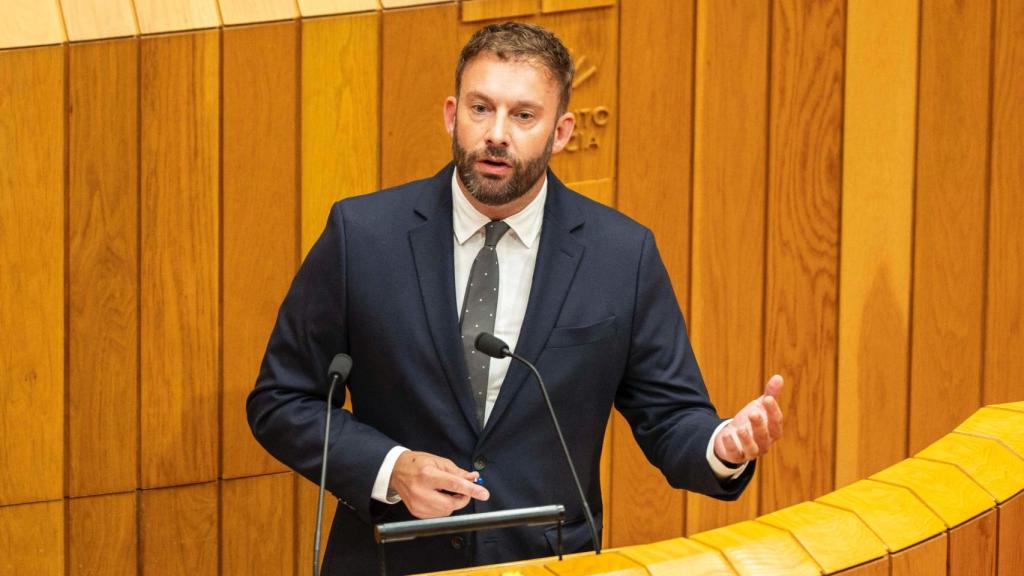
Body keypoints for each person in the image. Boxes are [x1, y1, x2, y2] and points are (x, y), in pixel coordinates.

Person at [247, 22, 784, 576]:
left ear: (561, 131)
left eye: (524, 115)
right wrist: (391, 467)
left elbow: (670, 416)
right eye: (481, 109)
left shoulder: (621, 255)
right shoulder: (362, 236)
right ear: (452, 115)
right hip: (389, 557)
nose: (497, 134)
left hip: (545, 562)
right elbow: (281, 400)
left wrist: (722, 445)